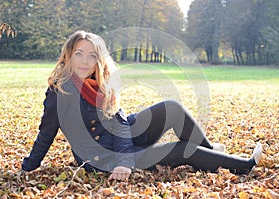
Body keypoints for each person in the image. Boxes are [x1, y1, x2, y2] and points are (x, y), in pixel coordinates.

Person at [22, 30, 262, 181]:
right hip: (102, 157)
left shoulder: (102, 85)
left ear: (99, 60)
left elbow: (120, 125)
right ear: (68, 56)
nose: (85, 61)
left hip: (125, 140)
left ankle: (212, 155)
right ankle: (243, 166)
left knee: (172, 108)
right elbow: (46, 132)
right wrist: (29, 167)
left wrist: (125, 157)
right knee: (178, 150)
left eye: (92, 56)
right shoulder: (59, 91)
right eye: (79, 54)